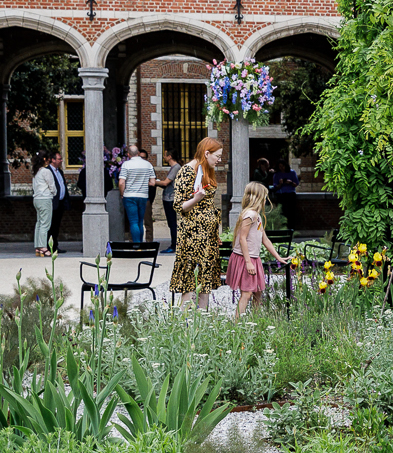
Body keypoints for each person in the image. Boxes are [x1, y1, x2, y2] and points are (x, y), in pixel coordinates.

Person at [169, 136, 226, 307]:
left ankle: (202, 322)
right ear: (207, 153)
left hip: (207, 236)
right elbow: (179, 206)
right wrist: (197, 198)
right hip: (193, 234)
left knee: (205, 280)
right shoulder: (187, 171)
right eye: (217, 156)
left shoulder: (206, 169)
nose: (219, 160)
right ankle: (187, 324)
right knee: (190, 279)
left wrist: (215, 234)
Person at [227, 180, 290, 317]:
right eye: (264, 197)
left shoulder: (257, 216)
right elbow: (242, 238)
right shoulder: (250, 215)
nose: (266, 200)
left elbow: (265, 239)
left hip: (253, 258)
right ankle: (236, 326)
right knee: (247, 293)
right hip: (245, 258)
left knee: (258, 292)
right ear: (258, 197)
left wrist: (278, 257)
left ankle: (255, 322)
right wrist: (248, 262)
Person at [30, 150, 67, 257]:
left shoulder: (36, 171)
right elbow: (52, 186)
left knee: (39, 223)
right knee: (45, 224)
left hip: (37, 198)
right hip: (45, 199)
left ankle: (38, 246)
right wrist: (54, 193)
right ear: (45, 160)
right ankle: (43, 247)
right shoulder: (46, 171)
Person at [118, 145, 155, 245]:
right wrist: (142, 182)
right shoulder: (148, 165)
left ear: (128, 154)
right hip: (143, 195)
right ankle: (141, 244)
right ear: (138, 153)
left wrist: (122, 193)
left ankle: (136, 244)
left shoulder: (126, 165)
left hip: (129, 195)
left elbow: (121, 182)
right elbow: (152, 182)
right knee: (140, 221)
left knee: (133, 221)